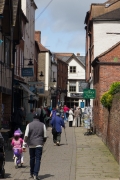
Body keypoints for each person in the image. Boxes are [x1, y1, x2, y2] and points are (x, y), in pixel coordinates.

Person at [23, 112, 47, 180]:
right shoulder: (43, 125)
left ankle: (31, 172)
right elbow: (45, 136)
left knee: (32, 158)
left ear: (33, 117)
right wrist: (43, 142)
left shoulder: (29, 125)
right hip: (39, 144)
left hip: (31, 144)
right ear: (39, 117)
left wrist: (25, 143)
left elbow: (26, 135)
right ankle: (35, 174)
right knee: (38, 159)